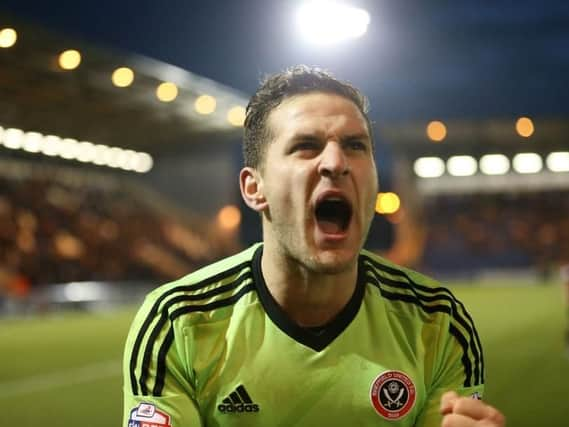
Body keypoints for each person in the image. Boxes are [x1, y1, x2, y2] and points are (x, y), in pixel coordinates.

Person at [123, 66, 505, 427]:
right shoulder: (176, 323)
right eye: (306, 146)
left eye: (356, 145)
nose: (336, 162)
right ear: (254, 188)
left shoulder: (438, 324)